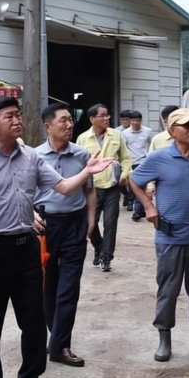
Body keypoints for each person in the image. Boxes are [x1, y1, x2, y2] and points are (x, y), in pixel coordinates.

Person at [0, 96, 112, 378]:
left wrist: (87, 171)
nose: (17, 121)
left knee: (33, 321)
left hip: (27, 248)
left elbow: (63, 187)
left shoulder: (30, 157)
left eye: (19, 115)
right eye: (9, 116)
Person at [129, 108, 189, 362]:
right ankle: (164, 339)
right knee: (168, 289)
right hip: (169, 236)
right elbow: (133, 181)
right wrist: (149, 207)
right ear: (172, 131)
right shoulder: (159, 158)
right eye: (185, 125)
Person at [33, 103, 95, 368]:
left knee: (69, 287)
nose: (69, 125)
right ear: (48, 126)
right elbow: (21, 191)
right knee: (48, 286)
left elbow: (89, 191)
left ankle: (60, 345)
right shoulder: (33, 156)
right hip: (45, 226)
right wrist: (28, 214)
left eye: (71, 120)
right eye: (63, 121)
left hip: (74, 224)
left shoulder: (82, 155)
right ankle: (56, 338)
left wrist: (91, 222)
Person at [76, 104, 132, 273]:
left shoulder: (117, 135)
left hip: (112, 186)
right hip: (91, 188)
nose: (107, 118)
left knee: (110, 223)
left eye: (108, 115)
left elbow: (126, 158)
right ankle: (99, 247)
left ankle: (106, 257)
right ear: (92, 119)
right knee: (89, 223)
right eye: (102, 115)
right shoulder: (83, 139)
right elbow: (79, 164)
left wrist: (125, 174)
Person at [122, 110, 152, 221]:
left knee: (140, 186)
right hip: (131, 163)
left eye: (137, 120)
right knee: (133, 188)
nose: (135, 122)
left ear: (141, 121)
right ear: (130, 121)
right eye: (133, 120)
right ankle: (139, 208)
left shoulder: (147, 131)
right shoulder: (125, 133)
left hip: (143, 162)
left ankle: (137, 211)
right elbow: (123, 147)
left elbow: (152, 144)